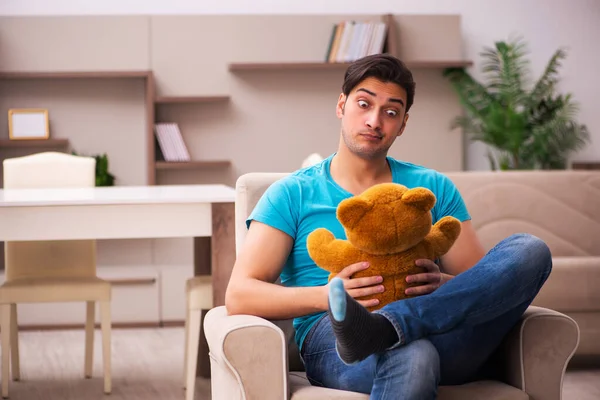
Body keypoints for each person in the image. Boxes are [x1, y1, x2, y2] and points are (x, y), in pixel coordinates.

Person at [225, 53, 552, 399]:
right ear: (341, 105)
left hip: (443, 331)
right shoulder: (292, 193)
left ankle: (391, 325)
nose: (374, 120)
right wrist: (329, 296)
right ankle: (388, 331)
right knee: (414, 355)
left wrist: (439, 283)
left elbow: (483, 284)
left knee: (530, 250)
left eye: (391, 112)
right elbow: (239, 294)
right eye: (364, 104)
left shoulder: (432, 188)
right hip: (338, 342)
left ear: (403, 123)